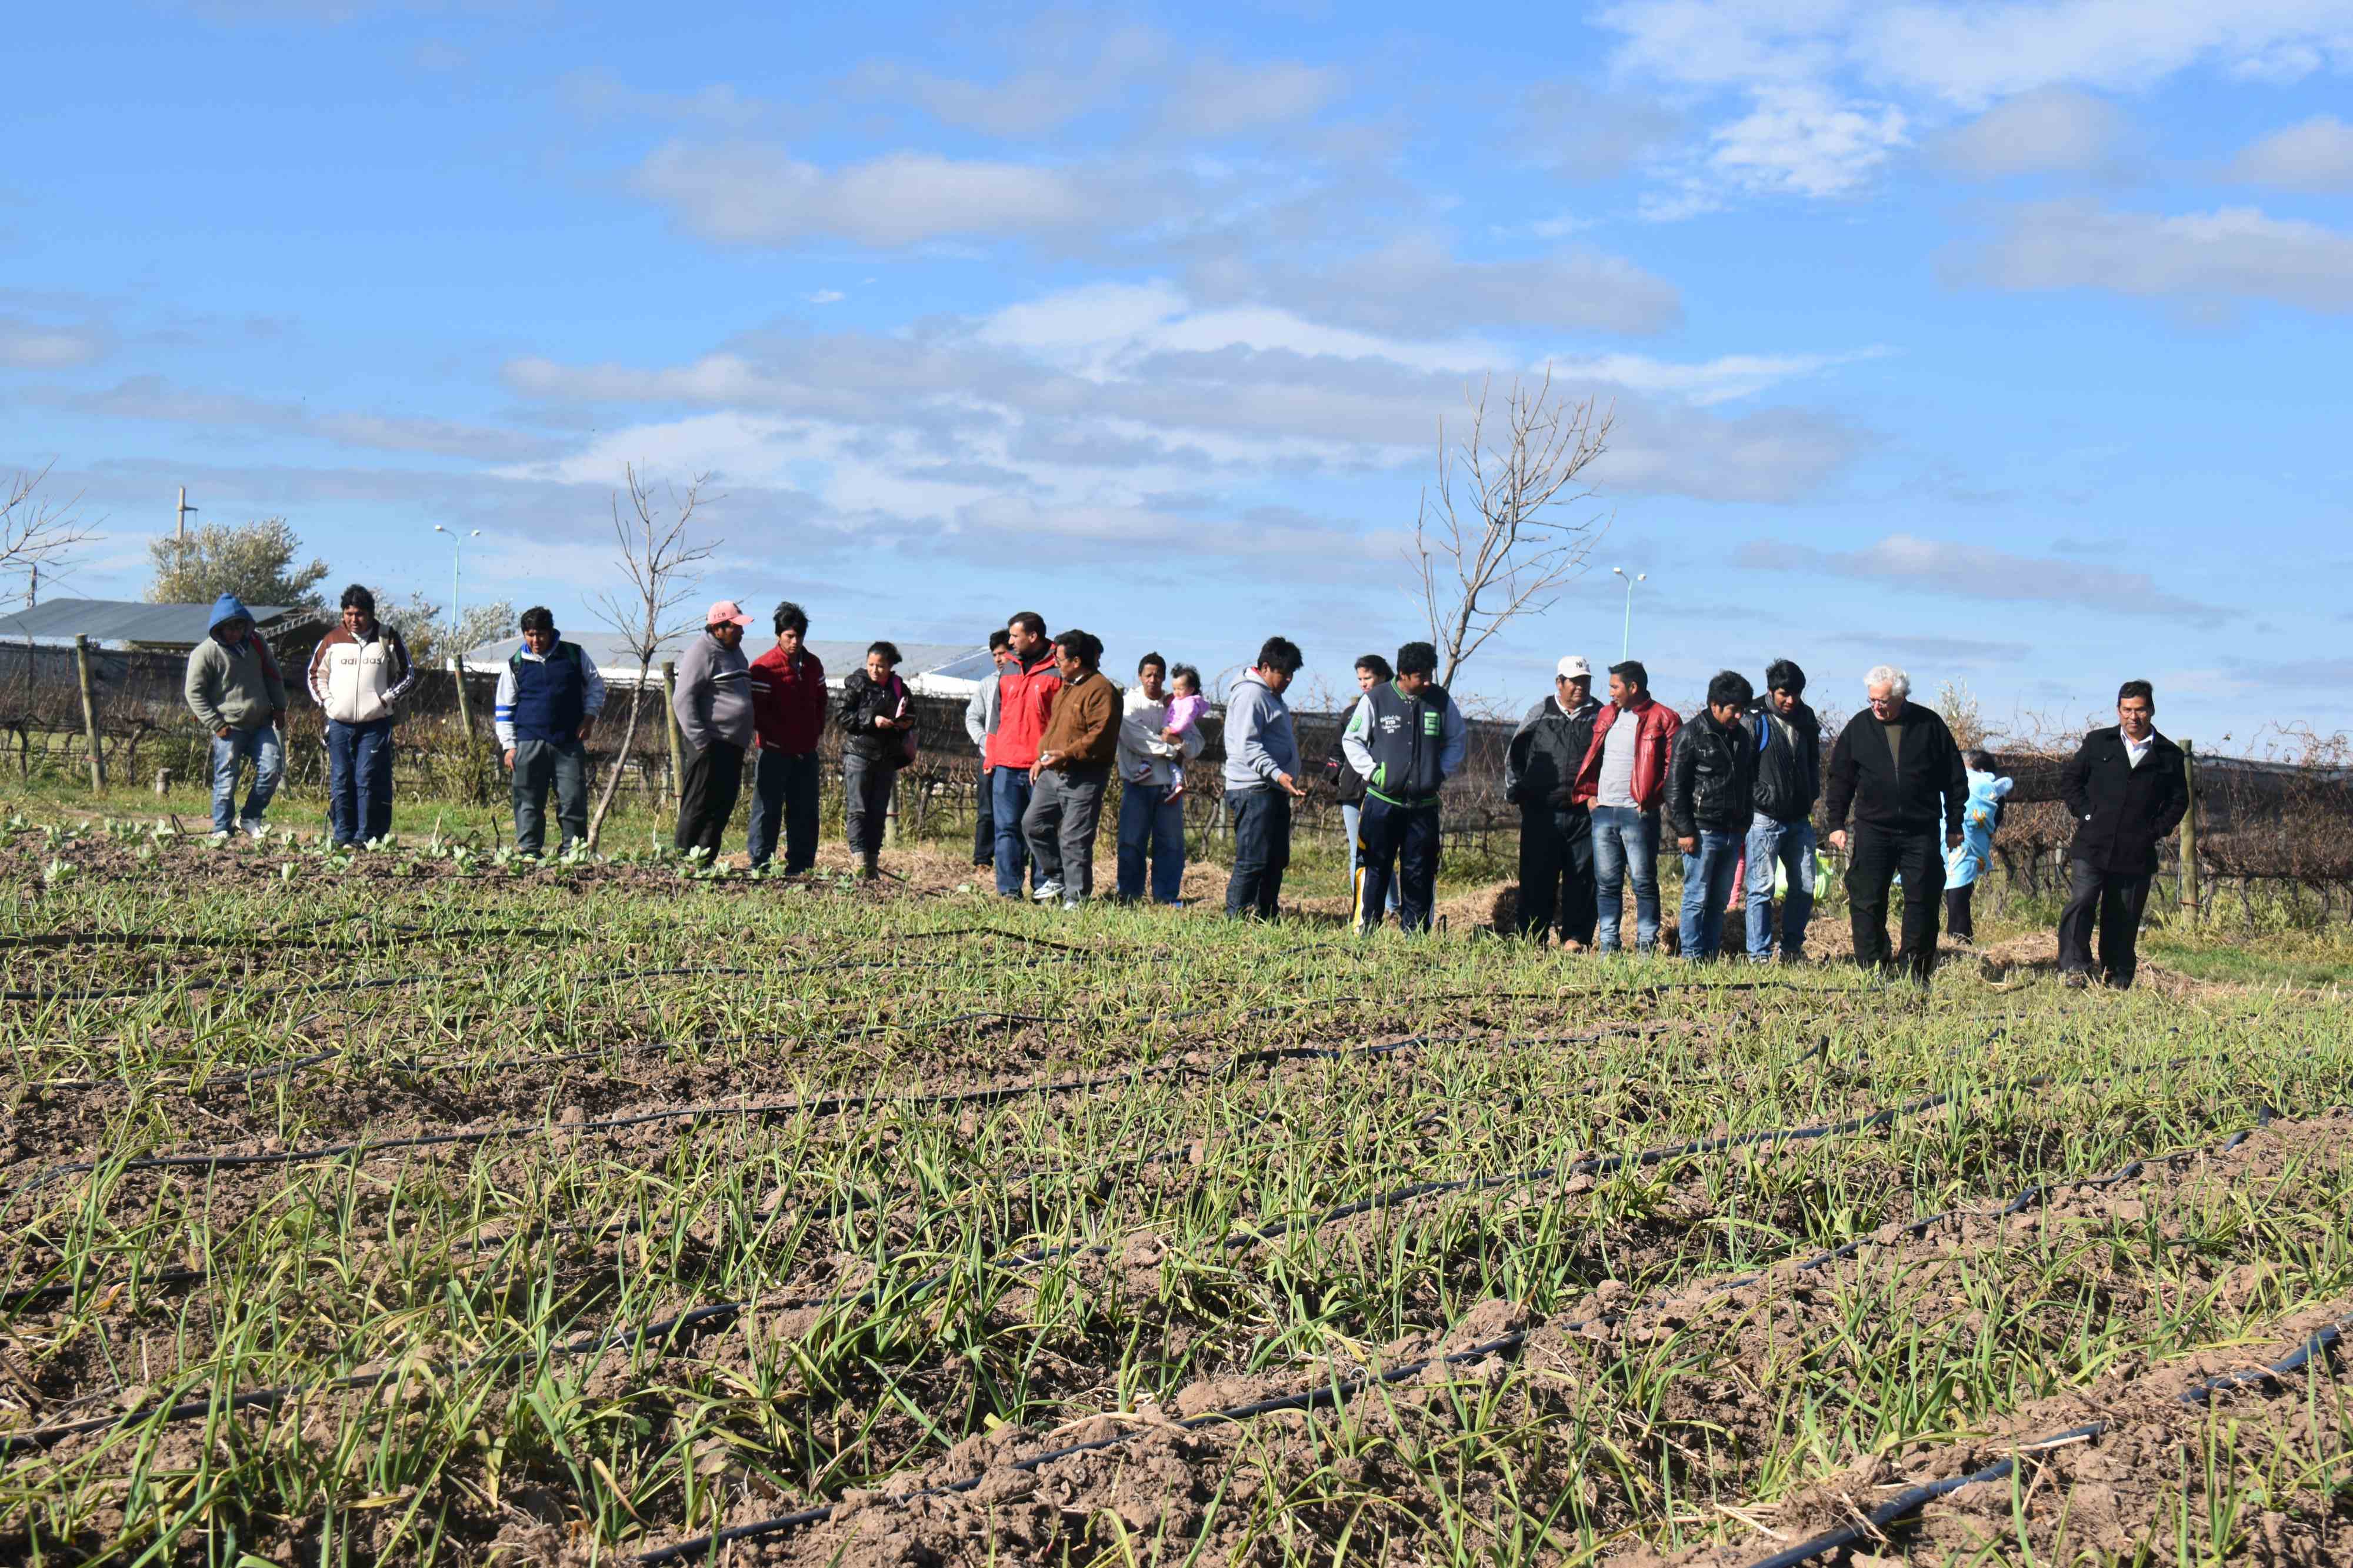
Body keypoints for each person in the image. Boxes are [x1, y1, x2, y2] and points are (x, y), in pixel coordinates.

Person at [1824, 664, 1967, 985]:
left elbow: (1955, 779)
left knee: (1923, 899)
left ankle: (1916, 970)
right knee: (1866, 899)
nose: (1876, 706)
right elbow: (1840, 780)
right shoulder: (1858, 728)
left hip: (1922, 830)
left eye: (1883, 701)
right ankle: (1875, 967)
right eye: (1872, 700)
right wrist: (1836, 823)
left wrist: (1955, 824)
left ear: (1901, 696)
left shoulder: (1930, 725)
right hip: (1874, 829)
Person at [2058, 680, 2187, 989]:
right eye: (2127, 710)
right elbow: (2070, 781)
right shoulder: (2097, 743)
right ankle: (2074, 968)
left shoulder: (2169, 754)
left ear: (2151, 710)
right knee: (2082, 901)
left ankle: (2117, 975)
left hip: (2136, 850)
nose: (2133, 717)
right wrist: (2087, 813)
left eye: (2140, 709)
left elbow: (2178, 801)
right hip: (2092, 844)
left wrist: (2154, 831)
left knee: (2124, 915)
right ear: (2118, 711)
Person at [1342, 640, 1467, 934]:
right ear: (1402, 673)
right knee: (1374, 867)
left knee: (1419, 871)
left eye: (1429, 674)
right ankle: (1365, 929)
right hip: (1381, 804)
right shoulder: (1377, 699)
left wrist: (1440, 773)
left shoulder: (1442, 701)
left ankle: (1416, 934)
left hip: (1423, 808)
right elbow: (1352, 740)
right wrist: (1373, 773)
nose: (1427, 681)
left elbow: (1457, 741)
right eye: (1420, 676)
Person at [1571, 659, 1681, 955]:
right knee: (1606, 882)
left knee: (1643, 881)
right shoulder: (1607, 714)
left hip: (1638, 813)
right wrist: (1591, 798)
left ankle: (1646, 944)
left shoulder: (1664, 718)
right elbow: (1594, 755)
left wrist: (1650, 801)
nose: (1610, 693)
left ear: (1633, 687)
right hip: (1604, 811)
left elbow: (1673, 769)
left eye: (1615, 687)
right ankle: (1609, 943)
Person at [306, 584, 416, 848]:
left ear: (371, 614)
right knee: (341, 777)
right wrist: (329, 703)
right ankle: (342, 833)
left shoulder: (388, 638)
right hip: (339, 723)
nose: (354, 620)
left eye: (360, 614)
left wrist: (385, 700)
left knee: (367, 777)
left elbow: (408, 674)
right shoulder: (331, 640)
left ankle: (365, 836)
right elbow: (315, 675)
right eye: (349, 613)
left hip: (375, 724)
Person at [1505, 655, 1602, 948]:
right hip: (1541, 811)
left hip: (1583, 813)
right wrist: (1517, 792)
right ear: (1559, 683)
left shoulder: (1601, 715)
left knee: (1582, 877)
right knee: (1536, 875)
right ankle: (1532, 936)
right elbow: (1516, 752)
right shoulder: (1540, 712)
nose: (1580, 688)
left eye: (1585, 681)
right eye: (1574, 682)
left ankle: (1575, 936)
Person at [494, 606, 606, 857]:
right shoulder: (515, 664)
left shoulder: (573, 655)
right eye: (530, 635)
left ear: (551, 631)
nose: (536, 641)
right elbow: (504, 707)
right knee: (528, 801)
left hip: (568, 742)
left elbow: (596, 686)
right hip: (527, 744)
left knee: (573, 799)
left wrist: (589, 719)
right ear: (524, 634)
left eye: (541, 634)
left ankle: (573, 852)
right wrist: (509, 746)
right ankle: (529, 852)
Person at [1665, 671, 1759, 960]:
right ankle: (1691, 956)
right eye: (1734, 709)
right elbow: (1674, 787)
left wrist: (1744, 823)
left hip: (1733, 830)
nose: (1739, 715)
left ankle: (1709, 955)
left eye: (1743, 709)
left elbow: (1748, 782)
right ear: (1714, 704)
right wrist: (1684, 830)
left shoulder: (1742, 736)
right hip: (1701, 830)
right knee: (1696, 897)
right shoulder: (1690, 735)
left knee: (1719, 901)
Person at [1025, 629, 1119, 908]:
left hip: (1083, 775)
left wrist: (1065, 754)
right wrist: (1040, 758)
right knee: (1033, 824)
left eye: (1059, 658)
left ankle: (1076, 899)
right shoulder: (1068, 687)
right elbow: (1055, 729)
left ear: (1076, 661)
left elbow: (1099, 736)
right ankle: (1056, 876)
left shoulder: (1101, 690)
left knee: (1074, 839)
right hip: (1051, 771)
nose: (1055, 662)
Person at [183, 593, 288, 839]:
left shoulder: (258, 645)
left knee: (273, 769)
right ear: (218, 628)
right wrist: (214, 723)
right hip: (228, 727)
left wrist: (280, 708)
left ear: (246, 625)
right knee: (226, 780)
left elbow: (273, 677)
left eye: (238, 626)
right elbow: (193, 692)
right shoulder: (206, 653)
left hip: (261, 723)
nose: (233, 632)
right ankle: (221, 827)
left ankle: (250, 817)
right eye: (228, 627)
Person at [1223, 636, 1308, 920]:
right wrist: (1279, 774)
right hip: (1253, 787)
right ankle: (1235, 919)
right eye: (1284, 673)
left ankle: (1265, 915)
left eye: (1292, 673)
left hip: (1272, 788)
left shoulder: (1271, 697)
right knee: (1253, 858)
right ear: (1266, 667)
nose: (1289, 679)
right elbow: (1248, 745)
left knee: (1275, 858)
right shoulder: (1252, 695)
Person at [1744, 658, 1822, 963]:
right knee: (1761, 888)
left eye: (1796, 694)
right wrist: (1759, 796)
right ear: (1770, 690)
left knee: (1805, 886)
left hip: (1800, 818)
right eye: (1783, 694)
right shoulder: (1753, 717)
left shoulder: (1807, 717)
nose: (1790, 700)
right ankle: (1758, 955)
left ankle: (1791, 949)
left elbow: (1813, 760)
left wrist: (1811, 793)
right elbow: (1742, 767)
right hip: (1764, 818)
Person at [744, 600, 826, 873]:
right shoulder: (763, 668)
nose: (795, 642)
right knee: (767, 809)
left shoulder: (813, 666)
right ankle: (761, 863)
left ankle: (801, 864)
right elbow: (758, 712)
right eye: (790, 636)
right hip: (774, 751)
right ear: (779, 634)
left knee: (805, 810)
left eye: (799, 636)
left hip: (806, 751)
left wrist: (815, 731)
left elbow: (821, 703)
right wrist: (776, 737)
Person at [986, 612, 1062, 898]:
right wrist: (991, 755)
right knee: (1005, 830)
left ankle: (1044, 888)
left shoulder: (1058, 668)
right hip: (1005, 764)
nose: (1010, 642)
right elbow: (996, 715)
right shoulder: (1008, 669)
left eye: (1015, 636)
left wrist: (1050, 758)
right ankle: (1008, 890)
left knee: (1041, 829)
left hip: (1041, 767)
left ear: (1034, 637)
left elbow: (1062, 720)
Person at [671, 600, 755, 858]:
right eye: (735, 627)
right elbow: (682, 698)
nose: (741, 632)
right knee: (698, 804)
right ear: (718, 628)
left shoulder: (736, 652)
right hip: (710, 743)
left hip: (732, 745)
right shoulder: (701, 652)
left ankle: (705, 861)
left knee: (721, 806)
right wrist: (701, 740)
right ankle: (684, 862)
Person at [1116, 652, 1202, 904]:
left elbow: (1196, 744)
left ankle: (1166, 897)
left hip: (1168, 788)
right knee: (1132, 842)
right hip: (1137, 783)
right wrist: (1171, 750)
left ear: (1164, 678)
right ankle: (1129, 896)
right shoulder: (1130, 703)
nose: (1153, 680)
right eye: (1148, 675)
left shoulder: (1176, 705)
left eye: (1158, 675)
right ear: (1140, 676)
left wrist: (1180, 744)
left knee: (1171, 845)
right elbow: (1134, 738)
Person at [1324, 655, 1400, 920]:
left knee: (1384, 850)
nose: (1363, 684)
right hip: (1352, 792)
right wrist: (1334, 772)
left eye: (1367, 678)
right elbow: (1338, 747)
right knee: (1359, 852)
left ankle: (1392, 908)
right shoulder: (1351, 713)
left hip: (1384, 790)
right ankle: (1361, 907)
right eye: (1359, 679)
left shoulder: (1396, 710)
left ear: (1383, 676)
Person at [838, 640, 914, 878]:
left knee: (878, 812)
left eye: (880, 666)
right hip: (859, 753)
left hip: (886, 756)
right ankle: (859, 863)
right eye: (871, 664)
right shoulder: (857, 685)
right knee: (858, 809)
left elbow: (913, 714)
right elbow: (841, 715)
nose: (874, 670)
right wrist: (872, 721)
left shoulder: (899, 688)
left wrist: (905, 722)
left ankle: (872, 864)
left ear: (890, 666)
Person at [1944, 749, 2013, 945]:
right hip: (1949, 844)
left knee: (1958, 894)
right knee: (1954, 894)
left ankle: (1960, 942)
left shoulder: (1990, 796)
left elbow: (1990, 821)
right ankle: (1957, 940)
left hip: (1967, 847)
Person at [962, 629, 1012, 869]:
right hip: (989, 757)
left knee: (1016, 813)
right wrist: (985, 740)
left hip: (1017, 758)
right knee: (986, 812)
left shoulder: (1023, 681)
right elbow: (973, 716)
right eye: (995, 655)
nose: (999, 659)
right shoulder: (987, 684)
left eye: (1003, 653)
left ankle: (1016, 859)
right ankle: (982, 859)